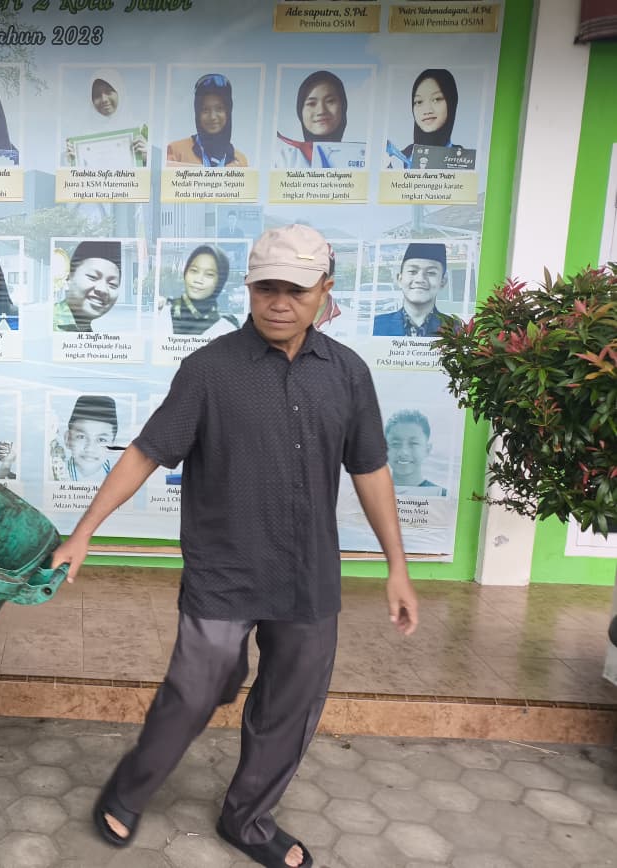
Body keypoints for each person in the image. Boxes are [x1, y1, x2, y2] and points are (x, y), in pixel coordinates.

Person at [50, 224, 418, 868]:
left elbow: (370, 468)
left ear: (325, 291)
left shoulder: (348, 374)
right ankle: (130, 788)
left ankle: (246, 820)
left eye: (296, 290)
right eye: (266, 288)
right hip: (224, 570)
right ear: (248, 289)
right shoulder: (209, 370)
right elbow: (146, 452)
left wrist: (397, 567)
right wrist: (83, 532)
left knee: (290, 704)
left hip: (308, 577)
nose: (279, 303)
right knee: (195, 690)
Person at [273, 70, 365, 170]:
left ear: (343, 106)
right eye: (311, 103)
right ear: (300, 111)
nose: (321, 111)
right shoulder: (282, 160)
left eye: (330, 101)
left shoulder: (362, 156)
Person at [373, 242, 462, 337]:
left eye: (431, 273)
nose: (420, 279)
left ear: (442, 282)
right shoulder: (377, 325)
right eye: (412, 271)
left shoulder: (454, 328)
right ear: (399, 279)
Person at [64, 68, 147, 168]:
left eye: (109, 92)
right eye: (97, 95)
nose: (104, 99)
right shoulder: (80, 136)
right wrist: (71, 163)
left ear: (120, 92)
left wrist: (147, 157)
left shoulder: (142, 130)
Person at [166, 73, 249, 168]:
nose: (212, 117)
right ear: (198, 113)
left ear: (228, 112)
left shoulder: (240, 160)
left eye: (219, 108)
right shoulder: (176, 152)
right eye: (205, 110)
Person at [386, 69, 461, 169]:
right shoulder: (396, 160)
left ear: (451, 102)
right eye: (419, 102)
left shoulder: (463, 161)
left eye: (436, 99)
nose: (427, 110)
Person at [162, 244, 240, 336]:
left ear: (220, 281)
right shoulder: (164, 312)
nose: (198, 280)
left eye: (209, 274)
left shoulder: (227, 327)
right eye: (194, 271)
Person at [53, 240, 122, 332]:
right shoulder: (49, 321)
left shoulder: (85, 330)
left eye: (112, 284)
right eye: (93, 277)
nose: (103, 289)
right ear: (69, 278)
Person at [51, 395, 118, 483]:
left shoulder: (121, 477)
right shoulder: (55, 473)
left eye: (101, 440)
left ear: (113, 445)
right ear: (68, 439)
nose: (90, 448)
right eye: (81, 437)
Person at [386, 409, 447, 495]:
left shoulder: (441, 495)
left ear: (427, 450)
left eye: (413, 443)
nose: (404, 452)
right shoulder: (371, 493)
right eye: (396, 443)